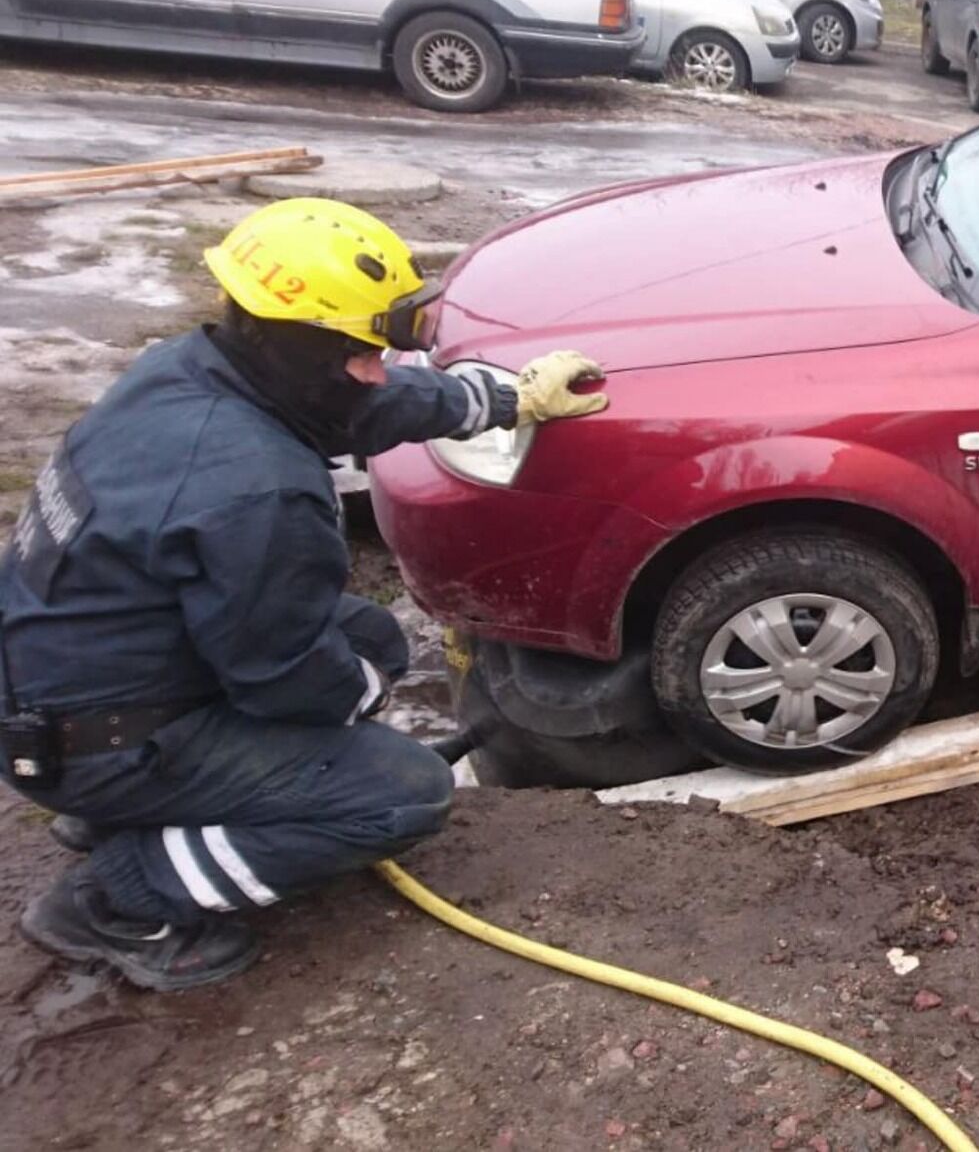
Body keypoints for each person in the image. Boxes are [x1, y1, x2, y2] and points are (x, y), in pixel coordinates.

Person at [0, 199, 609, 991]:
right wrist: (358, 711)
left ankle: (141, 807)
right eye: (360, 354)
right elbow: (283, 683)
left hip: (78, 678)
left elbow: (363, 401)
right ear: (302, 348)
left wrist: (501, 401)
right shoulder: (255, 492)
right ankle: (119, 897)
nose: (376, 369)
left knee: (373, 640)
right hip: (99, 738)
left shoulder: (193, 371)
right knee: (397, 797)